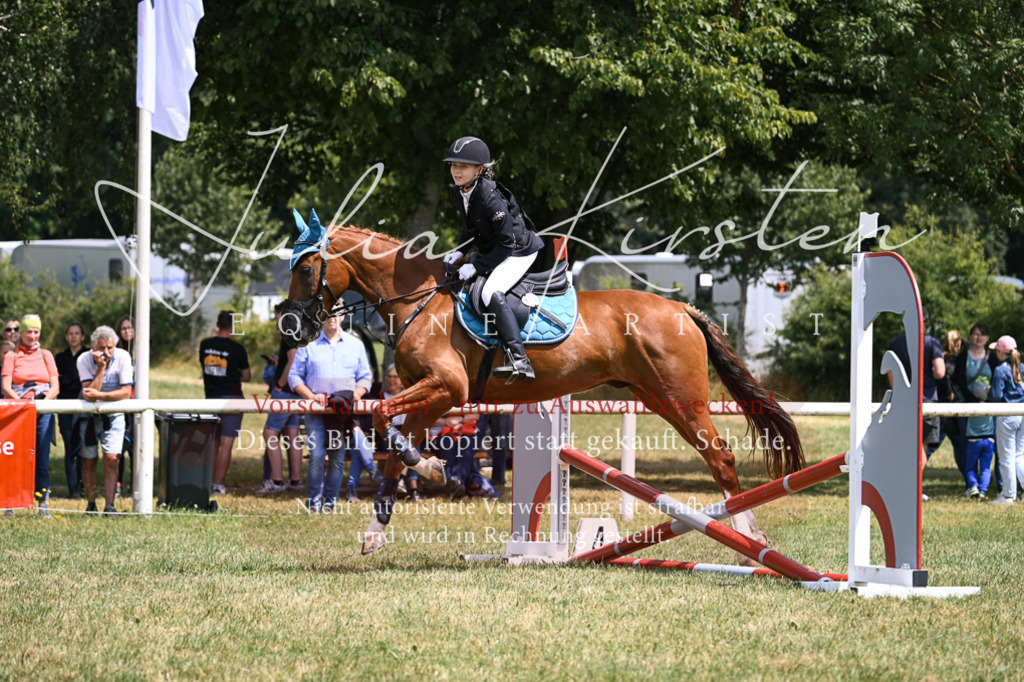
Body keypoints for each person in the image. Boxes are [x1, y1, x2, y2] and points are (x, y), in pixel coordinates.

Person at [442, 136, 544, 382]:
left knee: (491, 291)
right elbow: (470, 228)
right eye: (454, 165)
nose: (456, 170)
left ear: (479, 170)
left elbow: (506, 244)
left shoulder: (490, 197)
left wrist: (476, 267)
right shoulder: (461, 191)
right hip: (497, 248)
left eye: (463, 166)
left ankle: (520, 360)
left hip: (519, 251)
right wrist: (460, 251)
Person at [288, 315, 372, 513]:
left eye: (336, 313)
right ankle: (314, 503)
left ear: (342, 316)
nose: (331, 317)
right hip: (316, 411)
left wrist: (357, 393)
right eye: (327, 313)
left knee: (337, 457)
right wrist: (310, 396)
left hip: (342, 413)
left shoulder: (356, 345)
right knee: (317, 455)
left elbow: (365, 377)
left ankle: (329, 503)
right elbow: (294, 376)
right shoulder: (308, 345)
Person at [1, 314, 59, 515]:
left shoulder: (46, 355)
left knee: (42, 458)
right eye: (28, 332)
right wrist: (22, 406)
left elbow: (55, 386)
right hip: (19, 413)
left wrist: (43, 404)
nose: (32, 336)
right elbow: (6, 386)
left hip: (43, 411)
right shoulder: (12, 356)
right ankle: (10, 505)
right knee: (16, 457)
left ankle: (43, 503)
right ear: (21, 333)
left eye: (36, 332)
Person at [76, 325, 133, 515]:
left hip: (114, 416)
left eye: (110, 348)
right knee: (89, 461)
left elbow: (126, 392)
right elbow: (88, 395)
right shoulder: (83, 359)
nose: (106, 352)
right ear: (93, 347)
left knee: (111, 459)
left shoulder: (124, 357)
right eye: (101, 348)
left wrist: (100, 395)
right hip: (89, 417)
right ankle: (91, 505)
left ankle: (110, 506)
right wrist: (101, 368)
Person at [886, 308, 945, 478]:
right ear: (925, 321)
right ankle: (913, 486)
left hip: (902, 401)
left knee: (904, 444)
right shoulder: (932, 343)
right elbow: (940, 372)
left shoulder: (896, 342)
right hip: (927, 400)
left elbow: (890, 370)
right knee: (922, 446)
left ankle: (900, 481)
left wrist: (898, 393)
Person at [199, 311, 251, 495]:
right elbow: (247, 376)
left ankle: (208, 481)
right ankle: (219, 485)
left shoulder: (205, 345)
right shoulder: (237, 349)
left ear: (217, 324)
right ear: (232, 327)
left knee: (213, 442)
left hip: (211, 398)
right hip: (232, 399)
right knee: (226, 444)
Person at [256, 305, 303, 494]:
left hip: (285, 392)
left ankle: (276, 481)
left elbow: (293, 359)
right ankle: (295, 481)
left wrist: (281, 383)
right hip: (294, 392)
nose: (277, 321)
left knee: (270, 434)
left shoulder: (289, 331)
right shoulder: (296, 331)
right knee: (292, 435)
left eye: (278, 317)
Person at [953, 323, 998, 499]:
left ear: (987, 338)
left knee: (988, 449)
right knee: (966, 447)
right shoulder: (963, 356)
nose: (979, 338)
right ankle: (971, 486)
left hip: (987, 409)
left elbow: (996, 380)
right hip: (967, 406)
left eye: (982, 335)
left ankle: (983, 486)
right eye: (976, 334)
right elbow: (959, 379)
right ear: (970, 336)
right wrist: (972, 399)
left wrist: (988, 400)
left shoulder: (992, 358)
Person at [988, 336, 1024, 504]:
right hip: (1022, 413)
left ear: (1001, 352)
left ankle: (1009, 495)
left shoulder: (1000, 370)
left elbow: (995, 397)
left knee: (1006, 456)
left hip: (1007, 414)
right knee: (1020, 454)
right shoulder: (1022, 368)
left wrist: (987, 392)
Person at [55, 322, 89, 498]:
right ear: (66, 336)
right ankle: (71, 489)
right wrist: (73, 380)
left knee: (83, 446)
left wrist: (70, 380)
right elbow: (58, 382)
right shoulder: (60, 358)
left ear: (82, 336)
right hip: (65, 406)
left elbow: (83, 381)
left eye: (77, 333)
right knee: (69, 445)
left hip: (84, 406)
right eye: (70, 333)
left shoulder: (89, 355)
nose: (74, 336)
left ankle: (82, 487)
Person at [114, 315, 136, 496]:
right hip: (121, 402)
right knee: (119, 445)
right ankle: (118, 485)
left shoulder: (142, 351)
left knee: (136, 447)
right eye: (123, 329)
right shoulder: (117, 352)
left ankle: (136, 484)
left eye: (130, 327)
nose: (127, 331)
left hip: (137, 403)